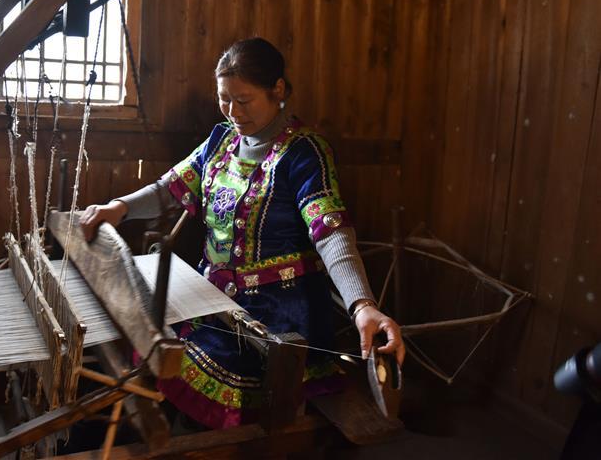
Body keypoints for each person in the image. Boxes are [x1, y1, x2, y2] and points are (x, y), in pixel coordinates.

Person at [80, 37, 404, 429]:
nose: (232, 111)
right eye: (224, 99)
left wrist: (362, 304)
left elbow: (330, 232)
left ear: (278, 90)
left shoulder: (303, 154)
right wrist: (121, 207)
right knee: (148, 341)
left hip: (275, 314)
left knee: (187, 371)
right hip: (212, 298)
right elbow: (172, 187)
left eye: (244, 100)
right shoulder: (222, 140)